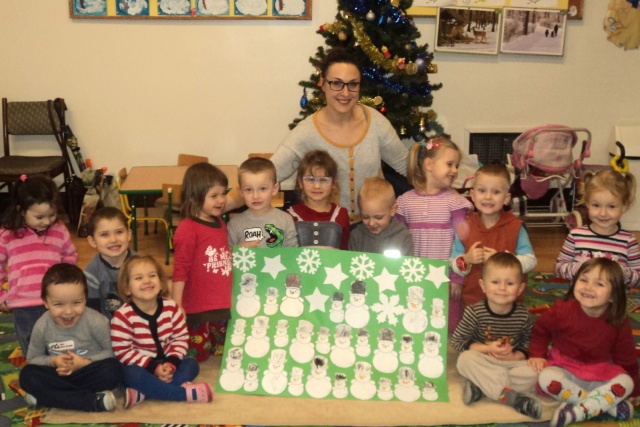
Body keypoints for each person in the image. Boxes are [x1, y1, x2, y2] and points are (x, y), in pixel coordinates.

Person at [227, 48, 409, 224]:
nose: (345, 93)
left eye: (353, 84)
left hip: (372, 230)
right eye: (336, 83)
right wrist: (221, 205)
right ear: (322, 83)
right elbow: (267, 175)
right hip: (328, 231)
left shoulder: (375, 122)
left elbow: (406, 165)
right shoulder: (306, 132)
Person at [528, 258, 639, 427]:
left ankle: (576, 411)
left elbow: (627, 358)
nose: (588, 287)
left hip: (600, 371)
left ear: (613, 296)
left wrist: (634, 388)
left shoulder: (618, 321)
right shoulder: (562, 310)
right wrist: (537, 354)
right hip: (564, 367)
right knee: (546, 378)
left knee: (627, 383)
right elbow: (541, 330)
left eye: (599, 284)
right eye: (584, 280)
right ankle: (605, 406)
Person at [111, 254, 212, 408]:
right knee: (129, 374)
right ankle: (183, 394)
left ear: (162, 283)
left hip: (169, 363)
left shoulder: (171, 307)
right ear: (127, 289)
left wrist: (171, 363)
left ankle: (143, 393)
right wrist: (153, 368)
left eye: (152, 275)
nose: (147, 281)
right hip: (142, 367)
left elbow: (180, 338)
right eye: (138, 278)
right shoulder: (122, 316)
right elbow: (122, 351)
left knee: (191, 364)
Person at [19, 263, 123, 412]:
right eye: (58, 304)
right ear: (46, 302)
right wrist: (53, 361)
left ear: (85, 299)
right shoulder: (42, 325)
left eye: (76, 303)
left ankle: (47, 396)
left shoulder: (97, 321)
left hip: (88, 372)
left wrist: (85, 362)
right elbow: (33, 358)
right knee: (27, 375)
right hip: (57, 375)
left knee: (114, 370)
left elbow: (113, 352)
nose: (68, 312)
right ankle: (91, 402)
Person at [395, 136, 472, 332]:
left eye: (456, 166)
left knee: (448, 328)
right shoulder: (404, 202)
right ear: (429, 164)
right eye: (449, 164)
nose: (455, 170)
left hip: (445, 278)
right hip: (414, 276)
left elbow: (462, 243)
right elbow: (398, 241)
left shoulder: (455, 202)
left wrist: (457, 278)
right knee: (414, 322)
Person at [451, 253, 541, 419]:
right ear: (483, 285)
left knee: (538, 373)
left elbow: (530, 342)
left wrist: (515, 356)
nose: (502, 288)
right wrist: (487, 348)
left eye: (510, 283)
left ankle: (482, 387)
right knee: (464, 360)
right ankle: (511, 397)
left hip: (511, 364)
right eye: (495, 282)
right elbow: (457, 341)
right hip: (484, 360)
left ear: (520, 288)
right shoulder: (474, 312)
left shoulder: (524, 315)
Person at [0, 175, 78, 353]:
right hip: (23, 303)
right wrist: (1, 296)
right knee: (31, 347)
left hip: (55, 302)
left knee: (60, 344)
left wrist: (68, 285)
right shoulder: (7, 234)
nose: (47, 221)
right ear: (21, 211)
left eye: (52, 215)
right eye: (39, 217)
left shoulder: (59, 229)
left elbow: (69, 256)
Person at [450, 163, 537, 308]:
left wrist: (501, 259)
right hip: (473, 302)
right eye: (482, 190)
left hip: (508, 303)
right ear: (473, 195)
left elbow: (530, 261)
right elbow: (454, 263)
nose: (488, 197)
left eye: (496, 192)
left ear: (506, 198)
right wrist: (466, 259)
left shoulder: (515, 227)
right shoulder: (464, 228)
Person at [171, 162, 233, 362]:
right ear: (195, 196)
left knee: (220, 354)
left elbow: (222, 253)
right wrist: (176, 305)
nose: (221, 200)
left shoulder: (220, 222)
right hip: (197, 310)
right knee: (197, 357)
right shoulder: (188, 229)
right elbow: (180, 270)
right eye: (214, 196)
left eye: (223, 193)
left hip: (221, 306)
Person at [555, 170, 639, 287]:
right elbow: (558, 268)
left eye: (611, 206)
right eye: (596, 205)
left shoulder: (628, 241)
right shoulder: (575, 236)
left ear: (624, 206)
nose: (603, 213)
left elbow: (638, 277)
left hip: (612, 297)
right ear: (587, 203)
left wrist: (622, 273)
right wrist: (579, 268)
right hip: (580, 294)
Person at [227, 157, 298, 248]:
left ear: (274, 189)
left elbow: (294, 253)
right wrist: (238, 250)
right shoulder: (234, 224)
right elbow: (228, 255)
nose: (255, 196)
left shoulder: (286, 220)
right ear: (240, 192)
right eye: (248, 190)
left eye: (263, 189)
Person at [286, 150, 350, 249]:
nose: (317, 186)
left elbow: (345, 251)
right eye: (310, 179)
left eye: (324, 180)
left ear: (333, 183)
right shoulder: (289, 216)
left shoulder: (342, 215)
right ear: (300, 182)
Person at [84, 206, 133, 319]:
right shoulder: (92, 270)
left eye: (119, 232)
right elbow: (92, 309)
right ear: (92, 241)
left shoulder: (141, 264)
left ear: (129, 235)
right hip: (107, 325)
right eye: (105, 234)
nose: (114, 239)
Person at [349, 177, 413, 256]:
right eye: (365, 217)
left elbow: (407, 263)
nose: (371, 223)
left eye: (378, 217)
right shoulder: (356, 236)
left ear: (393, 210)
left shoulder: (404, 237)